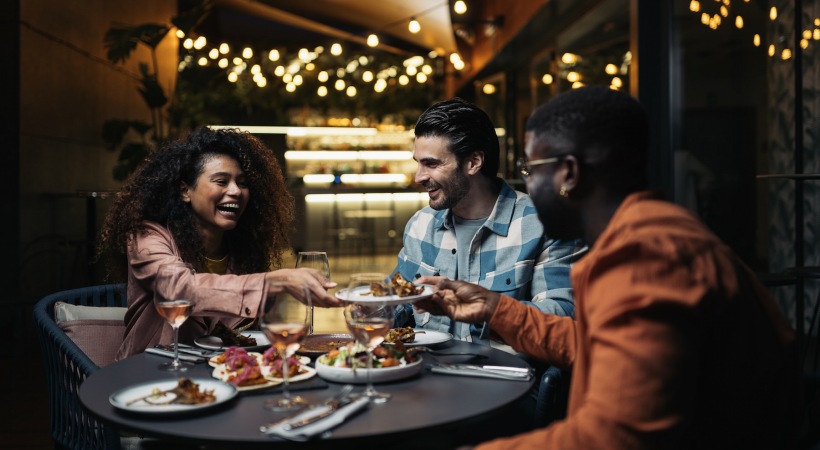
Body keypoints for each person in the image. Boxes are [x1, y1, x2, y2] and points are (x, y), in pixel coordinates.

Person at [416, 86, 799, 449]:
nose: (528, 187)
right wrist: (494, 308)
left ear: (568, 174)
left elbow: (614, 439)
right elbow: (595, 346)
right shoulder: (652, 232)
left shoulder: (645, 258)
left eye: (532, 170)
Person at [97, 127, 341, 360]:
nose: (235, 191)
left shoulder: (243, 250)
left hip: (217, 374)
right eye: (221, 181)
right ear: (185, 191)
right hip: (150, 372)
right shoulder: (147, 236)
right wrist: (273, 281)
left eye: (243, 182)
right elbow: (178, 289)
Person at [392, 98, 586, 348]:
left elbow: (562, 316)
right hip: (427, 374)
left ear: (474, 162)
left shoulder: (544, 223)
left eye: (431, 164)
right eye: (417, 163)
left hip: (508, 380)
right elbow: (394, 302)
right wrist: (366, 308)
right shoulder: (421, 224)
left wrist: (487, 311)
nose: (418, 177)